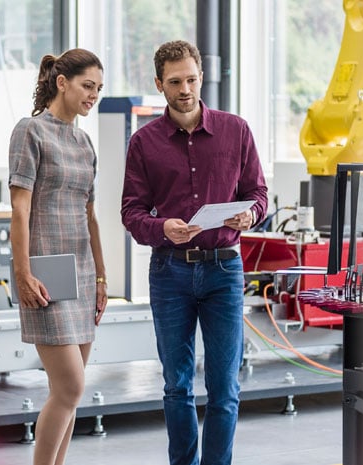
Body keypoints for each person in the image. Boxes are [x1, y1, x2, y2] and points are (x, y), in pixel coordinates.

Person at [121, 40, 268, 465]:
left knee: (225, 387)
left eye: (190, 79)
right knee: (177, 385)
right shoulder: (143, 143)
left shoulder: (236, 130)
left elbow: (257, 193)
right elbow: (131, 213)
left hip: (224, 270)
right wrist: (161, 228)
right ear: (159, 84)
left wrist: (251, 215)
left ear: (201, 77)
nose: (185, 89)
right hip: (170, 272)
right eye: (174, 82)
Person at [8, 48, 108, 465]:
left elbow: (90, 215)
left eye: (99, 89)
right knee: (70, 388)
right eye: (88, 86)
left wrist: (103, 280)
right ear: (62, 82)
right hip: (45, 272)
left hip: (82, 274)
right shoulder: (29, 131)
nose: (94, 96)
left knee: (69, 393)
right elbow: (19, 208)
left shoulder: (84, 142)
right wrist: (22, 272)